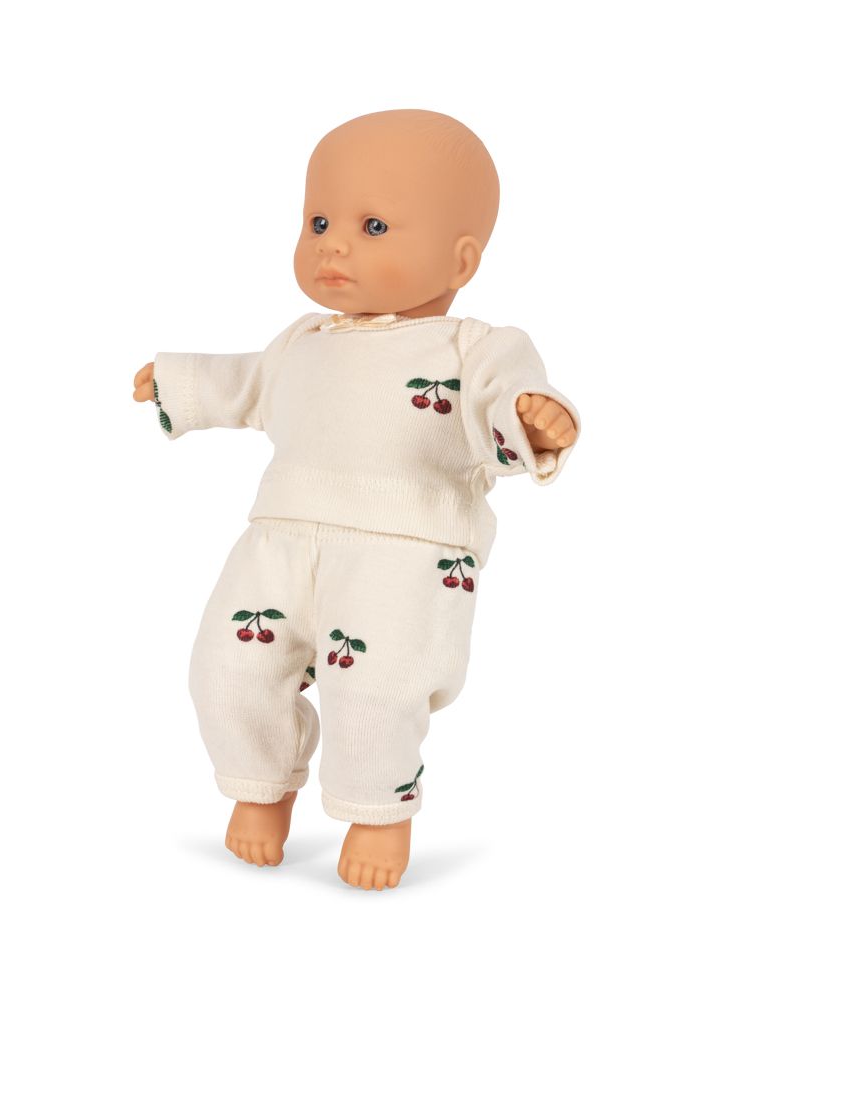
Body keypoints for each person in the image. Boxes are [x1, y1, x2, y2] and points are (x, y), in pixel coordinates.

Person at [133, 109, 580, 890]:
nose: (332, 244)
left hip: (402, 554)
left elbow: (505, 400)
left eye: (372, 226)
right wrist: (180, 382)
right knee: (226, 668)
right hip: (276, 540)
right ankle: (259, 785)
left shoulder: (475, 348)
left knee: (376, 690)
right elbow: (244, 382)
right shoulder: (303, 341)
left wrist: (533, 421)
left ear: (461, 259)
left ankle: (378, 811)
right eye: (318, 222)